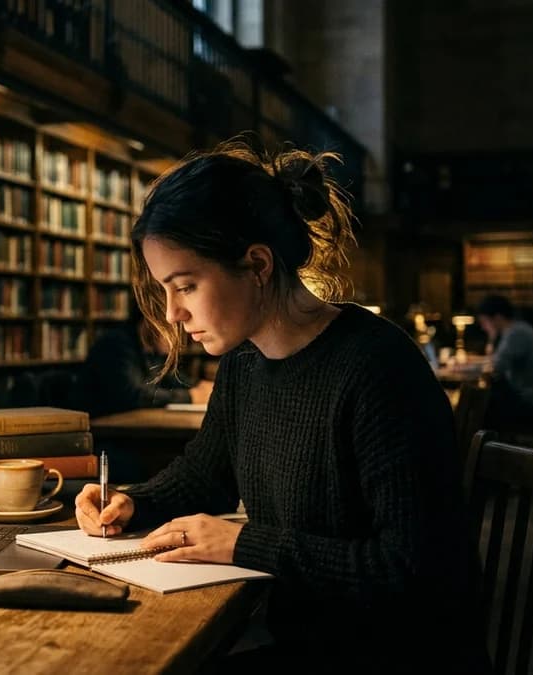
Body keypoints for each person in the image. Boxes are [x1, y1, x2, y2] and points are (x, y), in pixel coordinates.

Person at [72, 137, 489, 672]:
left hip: (388, 654)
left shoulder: (379, 367)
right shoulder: (244, 365)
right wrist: (131, 501)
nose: (173, 313)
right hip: (305, 642)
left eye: (187, 286)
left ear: (258, 264)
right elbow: (206, 474)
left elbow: (413, 572)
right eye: (165, 290)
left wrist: (245, 544)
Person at [79, 301, 213, 419]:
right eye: (172, 328)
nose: (177, 337)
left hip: (128, 427)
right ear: (150, 321)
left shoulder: (151, 348)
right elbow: (132, 396)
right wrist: (190, 397)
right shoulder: (114, 345)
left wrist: (199, 386)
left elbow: (170, 379)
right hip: (102, 432)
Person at [476, 294, 533, 429]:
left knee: (481, 406)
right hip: (531, 394)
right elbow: (495, 361)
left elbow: (495, 366)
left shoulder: (516, 333)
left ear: (497, 318)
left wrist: (492, 338)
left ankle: (484, 446)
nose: (483, 328)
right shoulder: (516, 329)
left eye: (485, 322)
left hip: (530, 399)